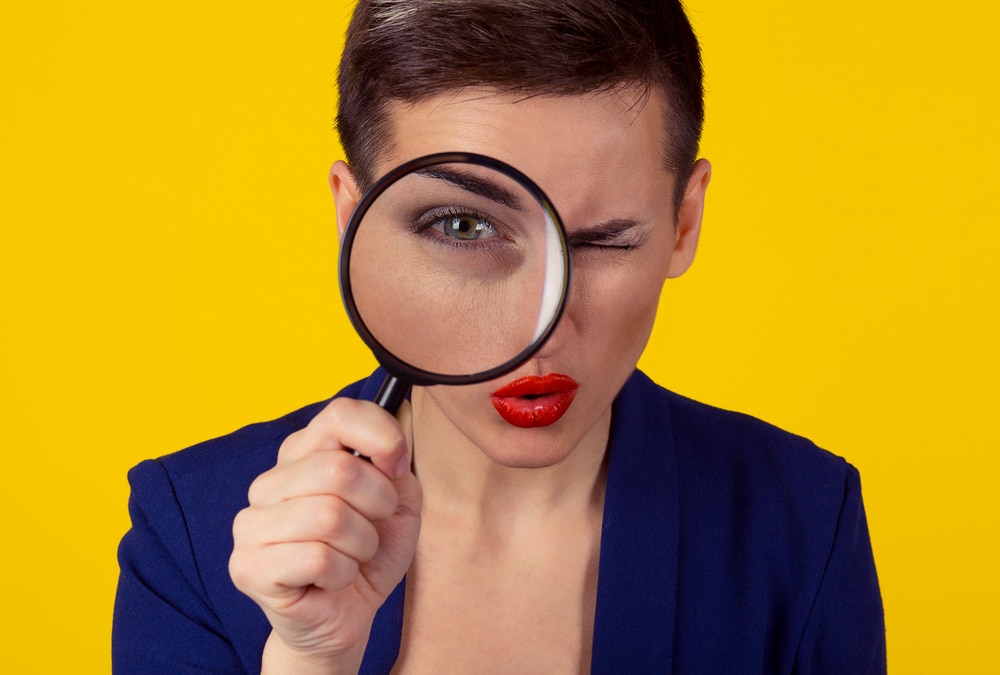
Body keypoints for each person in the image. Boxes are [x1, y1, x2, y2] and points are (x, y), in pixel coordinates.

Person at [113, 0, 886, 672]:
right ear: (356, 221)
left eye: (604, 239)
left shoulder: (804, 524)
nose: (534, 328)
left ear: (685, 222)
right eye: (462, 226)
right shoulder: (191, 535)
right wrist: (307, 663)